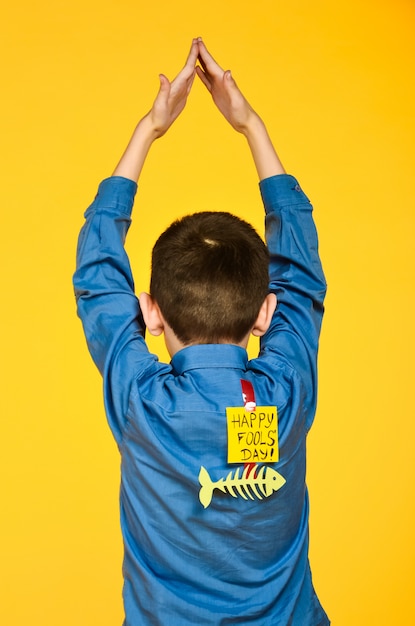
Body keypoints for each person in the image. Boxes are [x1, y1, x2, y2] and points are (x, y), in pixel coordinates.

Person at [73, 38, 329, 626]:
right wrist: (250, 127)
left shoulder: (141, 402)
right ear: (266, 312)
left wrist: (149, 131)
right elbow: (304, 279)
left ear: (151, 311)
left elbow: (96, 279)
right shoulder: (286, 393)